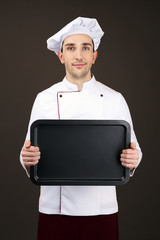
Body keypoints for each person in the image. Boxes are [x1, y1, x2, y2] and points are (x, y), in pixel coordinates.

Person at [20, 17, 142, 240]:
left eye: (85, 48)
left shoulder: (115, 99)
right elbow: (28, 149)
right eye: (71, 48)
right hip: (54, 209)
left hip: (101, 209)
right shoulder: (44, 98)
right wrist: (26, 158)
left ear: (94, 56)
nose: (78, 55)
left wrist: (133, 159)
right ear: (61, 56)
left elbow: (134, 149)